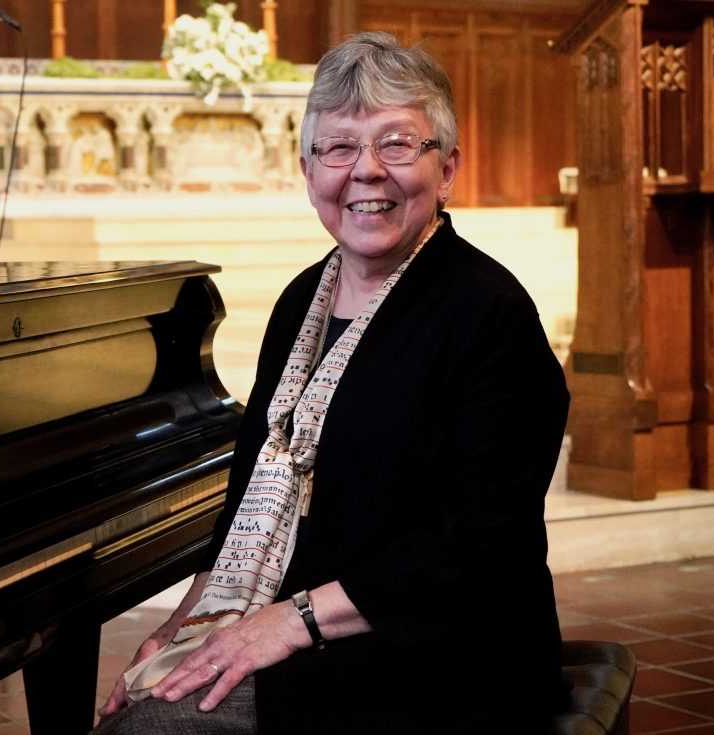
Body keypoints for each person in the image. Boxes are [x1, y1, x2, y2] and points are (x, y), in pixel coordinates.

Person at [92, 31, 570, 733]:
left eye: (398, 144)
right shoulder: (301, 301)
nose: (366, 171)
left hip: (440, 646)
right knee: (146, 699)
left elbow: (478, 545)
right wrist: (187, 624)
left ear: (447, 170)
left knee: (154, 730)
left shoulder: (488, 314)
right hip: (312, 625)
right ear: (308, 169)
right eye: (339, 147)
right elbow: (245, 503)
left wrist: (288, 622)